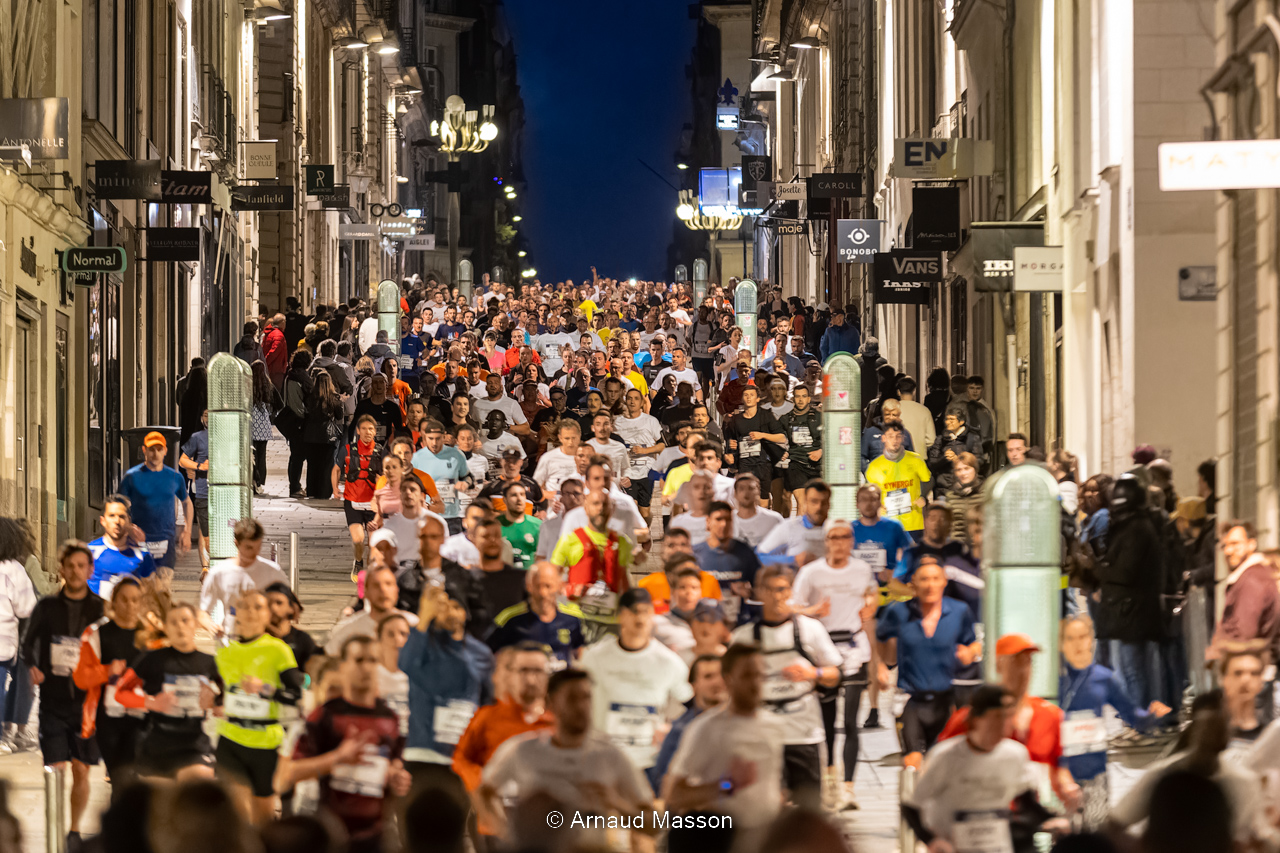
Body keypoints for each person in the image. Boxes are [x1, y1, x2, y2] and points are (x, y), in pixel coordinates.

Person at [477, 669, 657, 849]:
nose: (581, 706)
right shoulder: (523, 750)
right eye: (572, 698)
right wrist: (506, 831)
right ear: (551, 703)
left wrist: (616, 803)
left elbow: (654, 825)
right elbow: (484, 791)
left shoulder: (610, 756)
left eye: (586, 698)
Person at [902, 684, 1067, 853]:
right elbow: (911, 807)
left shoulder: (1016, 755)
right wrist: (931, 840)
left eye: (1009, 716)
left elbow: (1026, 802)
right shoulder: (945, 756)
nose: (1004, 723)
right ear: (976, 719)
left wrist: (1053, 819)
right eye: (997, 716)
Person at [288, 635, 412, 853]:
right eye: (359, 660)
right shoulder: (323, 717)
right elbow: (285, 776)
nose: (366, 667)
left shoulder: (390, 719)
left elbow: (394, 767)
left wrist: (397, 779)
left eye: (373, 661)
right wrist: (337, 758)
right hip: (327, 833)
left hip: (377, 836)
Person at [730, 566, 840, 807]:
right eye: (768, 590)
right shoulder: (743, 638)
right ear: (759, 592)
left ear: (790, 591)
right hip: (762, 736)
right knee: (766, 808)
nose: (776, 596)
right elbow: (730, 686)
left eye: (781, 589)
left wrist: (813, 673)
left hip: (804, 733)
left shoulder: (810, 629)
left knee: (808, 808)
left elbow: (834, 674)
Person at [937, 633, 1081, 812]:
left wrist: (1069, 790)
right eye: (1015, 662)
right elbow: (941, 767)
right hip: (984, 816)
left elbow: (1059, 771)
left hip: (1035, 817)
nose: (1023, 670)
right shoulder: (972, 718)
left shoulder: (1051, 716)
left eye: (1028, 662)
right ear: (999, 665)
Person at [22, 541, 106, 847]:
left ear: (90, 570)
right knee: (54, 769)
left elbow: (110, 649)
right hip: (53, 703)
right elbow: (28, 642)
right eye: (69, 566)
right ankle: (55, 828)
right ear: (61, 569)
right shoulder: (47, 607)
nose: (75, 571)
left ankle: (73, 831)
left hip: (86, 706)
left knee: (81, 770)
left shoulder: (100, 609)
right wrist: (32, 666)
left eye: (81, 566)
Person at [791, 521, 878, 809]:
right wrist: (813, 610)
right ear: (826, 541)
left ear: (852, 540)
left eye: (845, 537)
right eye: (834, 537)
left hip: (854, 648)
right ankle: (830, 781)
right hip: (823, 650)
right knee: (827, 723)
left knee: (851, 722)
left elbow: (870, 596)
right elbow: (792, 606)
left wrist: (871, 606)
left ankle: (849, 787)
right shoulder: (811, 572)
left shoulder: (862, 569)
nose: (840, 542)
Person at [1058, 613, 1171, 828]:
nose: (1078, 644)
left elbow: (1133, 717)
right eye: (1070, 638)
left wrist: (1153, 716)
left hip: (1095, 775)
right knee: (1064, 835)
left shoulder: (1103, 678)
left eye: (1082, 637)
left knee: (1096, 833)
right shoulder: (1055, 680)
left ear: (1091, 640)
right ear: (1061, 644)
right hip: (1061, 774)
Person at [400, 584, 494, 815]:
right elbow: (405, 664)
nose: (449, 612)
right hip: (422, 753)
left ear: (466, 612)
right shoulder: (422, 642)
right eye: (442, 607)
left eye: (455, 606)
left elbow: (488, 702)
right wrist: (423, 617)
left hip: (462, 757)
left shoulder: (481, 653)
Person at [213, 590, 305, 825]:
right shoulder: (225, 654)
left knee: (262, 820)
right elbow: (221, 695)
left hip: (266, 744)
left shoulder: (278, 650)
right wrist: (213, 701)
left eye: (258, 607)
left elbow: (296, 695)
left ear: (267, 615)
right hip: (230, 740)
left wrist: (265, 689)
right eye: (245, 606)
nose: (251, 612)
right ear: (236, 613)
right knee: (237, 815)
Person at [876, 559, 979, 769]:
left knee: (942, 764)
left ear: (944, 582)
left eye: (935, 579)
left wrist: (970, 652)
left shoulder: (959, 611)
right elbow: (878, 637)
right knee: (912, 761)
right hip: (910, 699)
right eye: (924, 579)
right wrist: (880, 666)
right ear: (913, 583)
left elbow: (973, 643)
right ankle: (911, 788)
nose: (930, 585)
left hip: (946, 700)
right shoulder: (899, 612)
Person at [579, 588, 693, 775]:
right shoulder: (595, 657)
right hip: (603, 758)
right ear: (621, 615)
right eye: (634, 611)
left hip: (648, 761)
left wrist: (672, 729)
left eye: (646, 612)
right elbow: (577, 700)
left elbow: (692, 704)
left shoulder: (668, 662)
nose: (640, 618)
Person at [452, 642, 555, 839]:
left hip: (546, 828)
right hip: (495, 827)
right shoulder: (488, 717)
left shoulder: (557, 723)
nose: (531, 679)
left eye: (538, 671)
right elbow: (460, 758)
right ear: (511, 675)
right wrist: (479, 781)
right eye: (523, 670)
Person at [114, 602, 221, 781]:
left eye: (185, 620)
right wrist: (152, 703)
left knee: (200, 783)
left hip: (194, 745)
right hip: (157, 744)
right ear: (166, 628)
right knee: (159, 797)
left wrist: (214, 703)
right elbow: (120, 693)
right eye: (173, 622)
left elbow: (229, 700)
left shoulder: (210, 662)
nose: (180, 626)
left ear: (196, 625)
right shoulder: (151, 660)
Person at [74, 577, 147, 801]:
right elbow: (81, 677)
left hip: (143, 718)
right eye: (124, 599)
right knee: (120, 779)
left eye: (135, 600)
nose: (130, 605)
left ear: (141, 603)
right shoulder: (97, 634)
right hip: (108, 720)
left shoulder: (150, 636)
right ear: (113, 602)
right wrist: (107, 671)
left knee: (136, 779)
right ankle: (121, 819)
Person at [552, 489, 636, 634]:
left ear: (612, 509)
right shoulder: (569, 540)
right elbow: (550, 579)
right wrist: (569, 589)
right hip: (577, 619)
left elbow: (624, 581)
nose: (600, 509)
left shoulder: (622, 542)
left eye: (605, 504)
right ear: (586, 508)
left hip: (611, 621)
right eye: (595, 504)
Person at [199, 518, 288, 640]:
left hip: (264, 641)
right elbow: (203, 613)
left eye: (258, 547)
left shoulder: (273, 571)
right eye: (249, 548)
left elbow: (288, 607)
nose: (255, 553)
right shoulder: (219, 573)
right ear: (236, 543)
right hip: (231, 641)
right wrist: (212, 627)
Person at [487, 562, 585, 670]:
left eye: (548, 586)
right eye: (538, 586)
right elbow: (489, 651)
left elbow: (579, 656)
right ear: (529, 586)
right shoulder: (510, 619)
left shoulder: (572, 620)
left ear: (558, 586)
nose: (543, 593)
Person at [117, 431, 192, 570]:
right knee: (140, 581)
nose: (155, 453)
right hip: (138, 541)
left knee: (163, 581)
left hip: (166, 541)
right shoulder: (131, 477)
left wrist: (187, 532)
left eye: (159, 449)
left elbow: (187, 502)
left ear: (165, 451)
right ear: (144, 450)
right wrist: (128, 527)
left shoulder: (174, 477)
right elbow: (118, 506)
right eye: (151, 449)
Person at [1211, 520, 1279, 655]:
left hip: (1252, 662)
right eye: (1224, 546)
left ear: (1251, 544)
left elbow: (1243, 636)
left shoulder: (1252, 580)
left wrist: (1221, 645)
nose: (1228, 551)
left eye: (1235, 544)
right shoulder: (1247, 577)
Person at [325, 565, 419, 655]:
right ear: (366, 592)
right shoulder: (347, 631)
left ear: (396, 590)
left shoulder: (414, 624)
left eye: (388, 584)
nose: (383, 590)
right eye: (376, 585)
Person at [333, 415, 384, 580]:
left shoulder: (381, 452)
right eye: (364, 429)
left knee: (374, 543)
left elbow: (388, 476)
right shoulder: (347, 450)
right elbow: (336, 469)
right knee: (358, 539)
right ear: (358, 431)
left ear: (375, 431)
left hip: (373, 504)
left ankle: (372, 574)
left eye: (371, 429)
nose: (368, 432)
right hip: (353, 501)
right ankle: (358, 561)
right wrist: (335, 488)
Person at [694, 501, 762, 624]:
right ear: (708, 521)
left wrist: (749, 592)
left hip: (739, 623)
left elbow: (761, 589)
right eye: (718, 519)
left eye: (728, 519)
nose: (724, 524)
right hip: (705, 623)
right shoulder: (696, 555)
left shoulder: (745, 553)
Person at [864, 423, 932, 536]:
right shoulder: (874, 466)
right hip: (887, 523)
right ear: (883, 438)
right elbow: (869, 494)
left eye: (898, 436)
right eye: (890, 436)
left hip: (913, 523)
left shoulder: (915, 460)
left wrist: (923, 496)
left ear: (902, 438)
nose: (894, 440)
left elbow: (928, 480)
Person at [724, 383, 785, 503]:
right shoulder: (735, 419)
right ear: (742, 398)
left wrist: (762, 435)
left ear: (757, 398)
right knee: (746, 498)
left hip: (763, 463)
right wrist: (730, 447)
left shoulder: (766, 415)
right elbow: (731, 440)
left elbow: (781, 438)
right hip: (744, 463)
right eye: (745, 395)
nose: (748, 398)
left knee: (763, 500)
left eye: (752, 395)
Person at [86, 495, 156, 598]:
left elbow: (153, 591)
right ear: (103, 520)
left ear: (129, 521)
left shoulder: (141, 554)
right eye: (112, 516)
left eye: (122, 517)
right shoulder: (89, 552)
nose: (117, 521)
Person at [411, 420, 473, 534]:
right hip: (428, 516)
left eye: (438, 439)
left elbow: (468, 477)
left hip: (452, 516)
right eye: (430, 438)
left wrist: (465, 483)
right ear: (424, 437)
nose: (434, 443)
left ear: (444, 436)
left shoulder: (457, 455)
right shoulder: (416, 458)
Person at [778, 385, 822, 516]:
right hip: (796, 463)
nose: (801, 400)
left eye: (804, 396)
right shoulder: (785, 419)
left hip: (818, 465)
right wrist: (782, 451)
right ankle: (799, 529)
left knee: (817, 503)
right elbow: (778, 439)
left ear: (809, 399)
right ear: (793, 399)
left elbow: (833, 438)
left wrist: (821, 451)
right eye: (797, 397)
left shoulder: (820, 417)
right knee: (801, 502)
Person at [302, 369, 344, 500]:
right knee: (327, 464)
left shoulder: (310, 397)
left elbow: (305, 414)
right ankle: (324, 491)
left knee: (313, 464)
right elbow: (340, 415)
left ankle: (312, 490)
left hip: (311, 435)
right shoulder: (334, 397)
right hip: (327, 435)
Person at [179, 409, 212, 572]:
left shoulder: (228, 437)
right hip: (203, 492)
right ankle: (205, 568)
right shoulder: (197, 437)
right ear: (201, 419)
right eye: (206, 415)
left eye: (211, 414)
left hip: (227, 493)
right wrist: (199, 466)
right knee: (204, 534)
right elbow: (182, 461)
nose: (209, 418)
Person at [264, 582, 317, 675]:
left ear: (291, 608)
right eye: (268, 603)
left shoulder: (303, 640)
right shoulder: (254, 638)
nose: (273, 608)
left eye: (279, 603)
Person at [927, 405, 985, 490]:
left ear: (961, 422)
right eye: (947, 419)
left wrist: (958, 460)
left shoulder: (972, 438)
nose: (948, 422)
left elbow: (979, 461)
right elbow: (932, 463)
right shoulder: (940, 439)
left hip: (966, 484)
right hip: (945, 485)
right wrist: (944, 458)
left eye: (952, 419)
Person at [943, 452, 984, 545]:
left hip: (980, 547)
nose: (963, 473)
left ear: (975, 469)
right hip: (958, 548)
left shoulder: (985, 494)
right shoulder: (951, 496)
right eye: (959, 470)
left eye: (966, 468)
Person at [497, 482, 541, 570]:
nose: (519, 499)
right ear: (505, 500)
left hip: (528, 576)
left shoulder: (538, 525)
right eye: (514, 495)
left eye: (522, 494)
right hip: (501, 576)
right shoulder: (495, 525)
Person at [732, 474, 783, 547]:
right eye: (741, 488)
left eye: (751, 488)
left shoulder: (774, 519)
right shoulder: (726, 520)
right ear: (735, 493)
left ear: (758, 491)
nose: (746, 492)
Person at [896, 376, 936, 453]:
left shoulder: (892, 410)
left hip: (898, 455)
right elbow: (931, 439)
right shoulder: (924, 410)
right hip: (919, 455)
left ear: (898, 392)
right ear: (914, 391)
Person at [263, 315, 288, 390]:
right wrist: (266, 362)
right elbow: (274, 352)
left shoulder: (270, 333)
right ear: (282, 322)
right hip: (276, 369)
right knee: (276, 391)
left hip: (271, 368)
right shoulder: (278, 335)